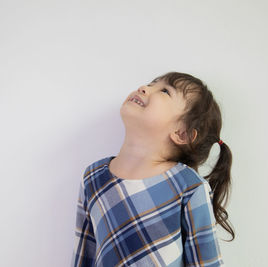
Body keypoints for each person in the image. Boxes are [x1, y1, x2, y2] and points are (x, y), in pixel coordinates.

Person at [70, 71, 234, 267]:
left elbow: (206, 263)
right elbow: (83, 255)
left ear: (181, 133)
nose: (144, 88)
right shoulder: (93, 177)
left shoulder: (188, 186)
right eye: (151, 83)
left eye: (165, 91)